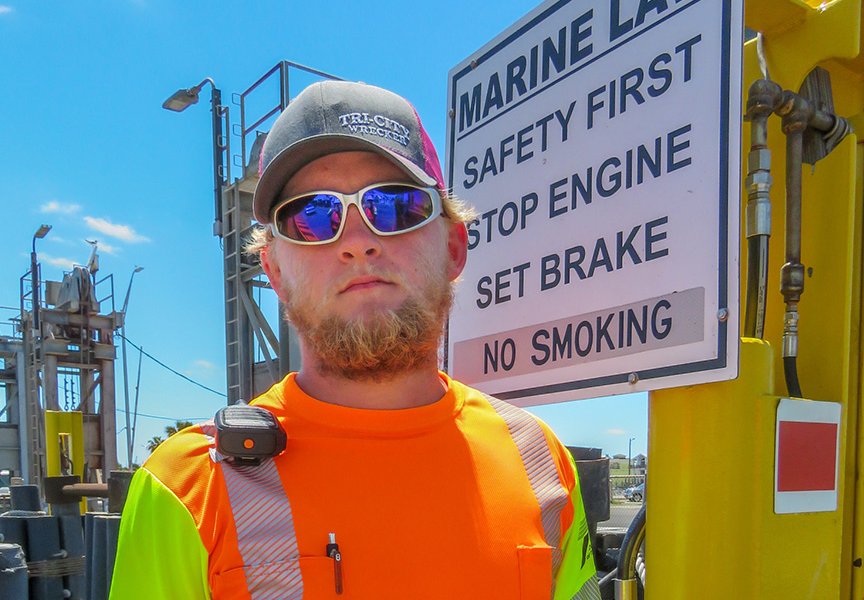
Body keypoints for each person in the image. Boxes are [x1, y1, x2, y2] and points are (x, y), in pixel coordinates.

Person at [110, 80, 600, 600]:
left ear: (454, 247)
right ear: (274, 272)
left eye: (395, 206)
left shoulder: (542, 462)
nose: (358, 242)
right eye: (311, 217)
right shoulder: (185, 491)